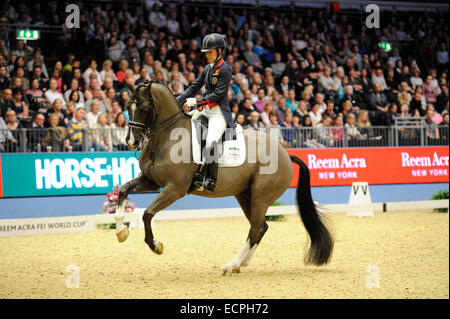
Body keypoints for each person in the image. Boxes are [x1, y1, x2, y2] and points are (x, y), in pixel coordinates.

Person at [176, 33, 235, 192]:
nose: (207, 55)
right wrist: (179, 100)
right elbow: (194, 86)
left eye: (210, 52)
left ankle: (210, 179)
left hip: (219, 113)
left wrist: (196, 101)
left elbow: (218, 94)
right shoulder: (208, 68)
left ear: (219, 51)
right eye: (206, 52)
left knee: (210, 143)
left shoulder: (225, 69)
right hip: (206, 111)